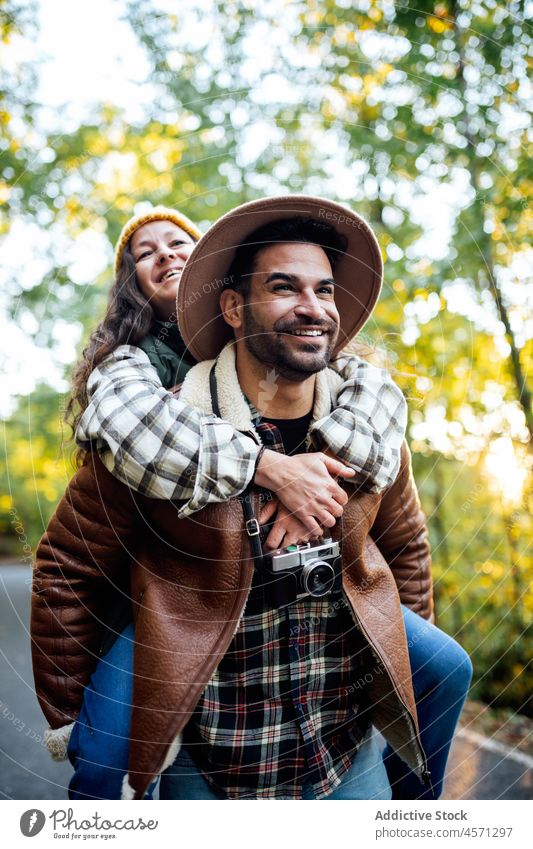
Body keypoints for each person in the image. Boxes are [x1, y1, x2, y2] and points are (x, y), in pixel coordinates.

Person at [31, 197, 471, 801]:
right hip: (203, 687)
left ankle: (415, 810)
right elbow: (71, 562)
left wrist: (392, 668)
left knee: (446, 668)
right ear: (231, 307)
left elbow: (405, 547)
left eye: (325, 290)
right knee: (102, 751)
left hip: (334, 737)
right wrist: (271, 469)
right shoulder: (146, 400)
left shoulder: (362, 413)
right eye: (285, 288)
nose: (311, 307)